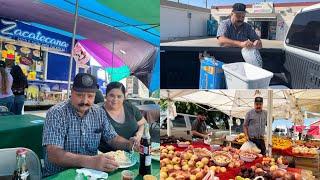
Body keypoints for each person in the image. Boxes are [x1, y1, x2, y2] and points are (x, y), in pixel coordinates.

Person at [42, 73, 137, 177]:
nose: (85, 101)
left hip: (91, 174)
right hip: (59, 175)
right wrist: (90, 161)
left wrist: (130, 144)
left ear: (95, 95)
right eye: (79, 95)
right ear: (72, 92)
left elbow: (113, 138)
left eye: (90, 96)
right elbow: (53, 154)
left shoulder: (99, 113)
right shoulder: (57, 113)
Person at [99, 82, 147, 153]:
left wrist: (139, 134)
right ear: (106, 96)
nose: (115, 99)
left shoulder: (129, 107)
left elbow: (142, 123)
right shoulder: (99, 112)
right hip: (108, 154)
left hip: (133, 151)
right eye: (111, 95)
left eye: (119, 96)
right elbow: (112, 139)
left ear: (124, 97)